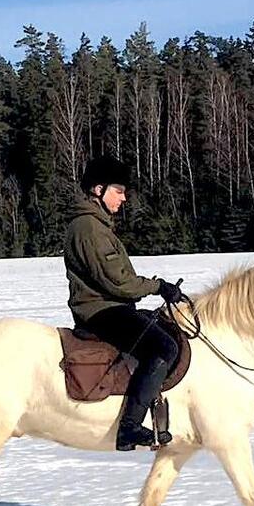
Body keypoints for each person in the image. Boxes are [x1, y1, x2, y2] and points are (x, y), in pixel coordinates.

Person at [63, 156, 187, 451]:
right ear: (97, 189)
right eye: (118, 190)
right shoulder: (89, 227)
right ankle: (129, 427)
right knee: (164, 347)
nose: (124, 197)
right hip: (101, 311)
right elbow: (118, 282)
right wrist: (158, 287)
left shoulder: (98, 224)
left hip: (109, 306)